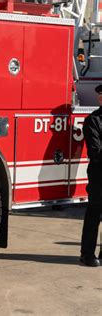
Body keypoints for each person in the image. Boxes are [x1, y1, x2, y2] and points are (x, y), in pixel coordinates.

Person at [79, 84, 102, 267]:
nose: (100, 98)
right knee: (94, 212)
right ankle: (87, 254)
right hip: (99, 173)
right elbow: (96, 151)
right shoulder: (92, 120)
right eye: (101, 96)